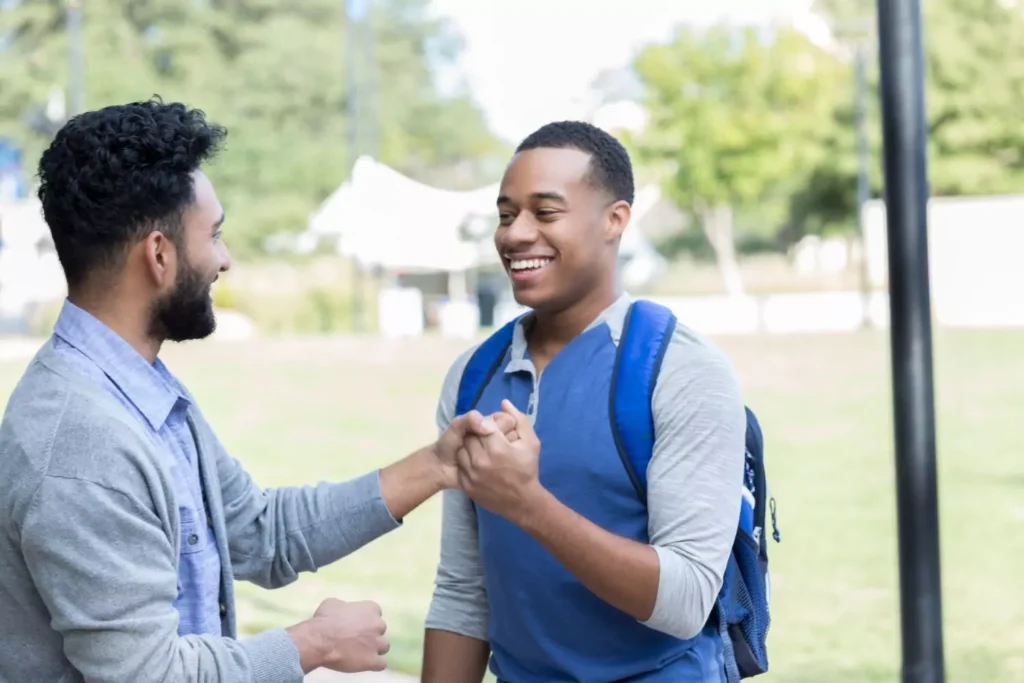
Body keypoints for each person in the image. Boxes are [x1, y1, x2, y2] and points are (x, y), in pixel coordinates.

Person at [0, 98, 516, 683]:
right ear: (160, 254)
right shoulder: (79, 445)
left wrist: (438, 464)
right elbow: (149, 674)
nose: (225, 260)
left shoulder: (140, 395)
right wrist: (312, 644)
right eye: (213, 235)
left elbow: (258, 532)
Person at [421, 121, 748, 683]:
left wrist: (528, 504)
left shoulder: (681, 369)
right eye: (505, 214)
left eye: (545, 213)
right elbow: (464, 592)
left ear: (614, 220)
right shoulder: (473, 376)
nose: (516, 234)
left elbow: (687, 598)